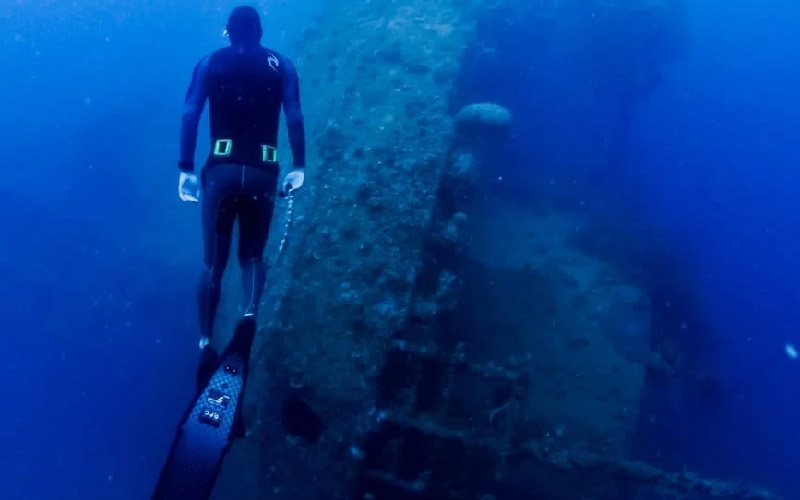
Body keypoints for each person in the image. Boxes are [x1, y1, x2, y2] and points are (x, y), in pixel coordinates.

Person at [176, 5, 306, 387]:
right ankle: (248, 321)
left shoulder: (210, 62)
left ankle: (205, 345)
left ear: (228, 32)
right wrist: (299, 165)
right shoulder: (282, 65)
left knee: (212, 265)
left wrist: (185, 168)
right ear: (260, 31)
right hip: (264, 173)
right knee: (252, 257)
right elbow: (294, 115)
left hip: (222, 171)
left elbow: (189, 114)